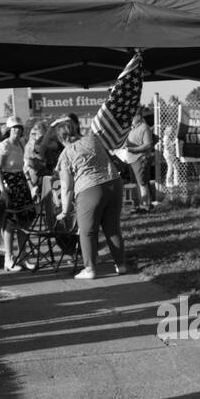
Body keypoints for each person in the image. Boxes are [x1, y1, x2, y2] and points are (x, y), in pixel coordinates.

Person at [52, 115, 127, 279]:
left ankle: (90, 269)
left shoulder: (65, 155)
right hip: (114, 183)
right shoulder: (93, 140)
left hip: (89, 189)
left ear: (59, 137)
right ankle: (120, 265)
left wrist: (65, 211)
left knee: (87, 232)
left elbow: (66, 187)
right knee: (112, 228)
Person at [0, 116, 35, 272]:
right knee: (10, 223)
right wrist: (3, 190)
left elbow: (24, 168)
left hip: (21, 182)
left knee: (24, 222)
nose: (17, 130)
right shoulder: (4, 145)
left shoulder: (21, 144)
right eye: (14, 128)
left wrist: (30, 185)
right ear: (9, 130)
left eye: (19, 128)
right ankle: (8, 259)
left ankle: (23, 257)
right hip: (9, 184)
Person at [123, 111, 156, 212]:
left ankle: (146, 206)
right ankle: (140, 205)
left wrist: (134, 150)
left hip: (140, 159)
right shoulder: (133, 129)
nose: (130, 119)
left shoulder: (144, 127)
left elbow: (148, 144)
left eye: (132, 117)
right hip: (133, 160)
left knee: (142, 183)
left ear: (138, 117)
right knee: (138, 184)